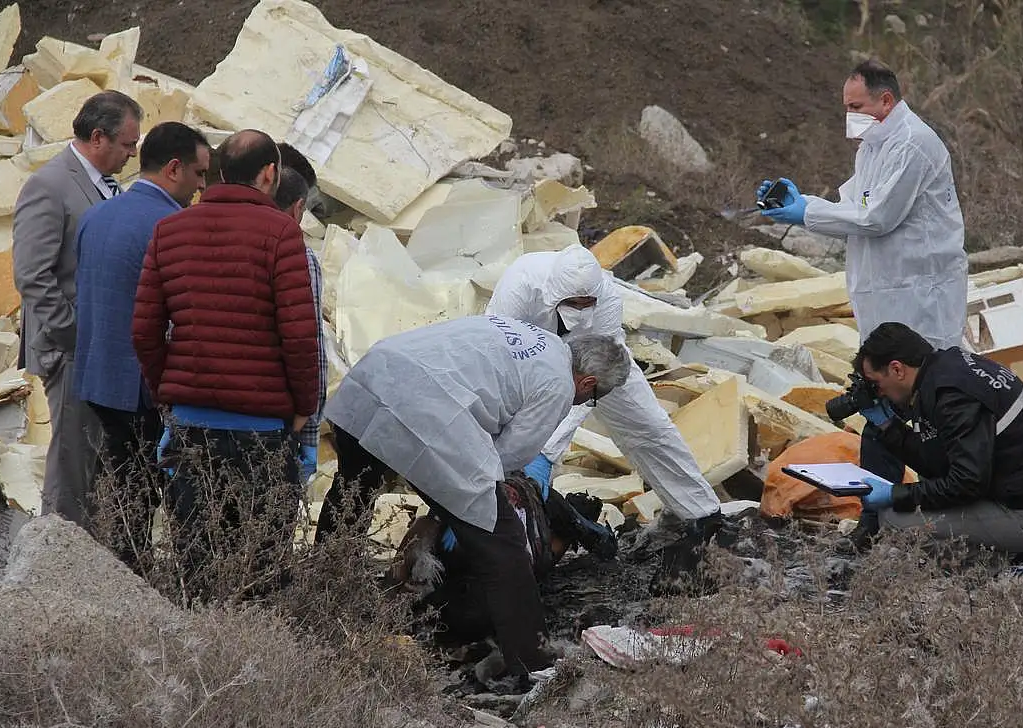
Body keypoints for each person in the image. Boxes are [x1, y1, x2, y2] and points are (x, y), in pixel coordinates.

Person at [314, 314, 631, 679]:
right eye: (592, 398)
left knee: (353, 492)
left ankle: (321, 589)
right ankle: (533, 663)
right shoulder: (559, 384)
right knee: (503, 542)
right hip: (423, 407)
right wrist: (462, 507)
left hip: (375, 376)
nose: (584, 402)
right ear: (588, 382)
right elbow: (508, 457)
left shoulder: (533, 338)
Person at [756, 59, 968, 550]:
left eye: (856, 106)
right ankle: (878, 518)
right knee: (877, 400)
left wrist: (806, 214)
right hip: (887, 297)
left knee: (932, 405)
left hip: (921, 299)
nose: (849, 115)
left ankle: (949, 510)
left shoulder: (913, 144)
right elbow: (854, 206)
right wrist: (803, 202)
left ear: (885, 100)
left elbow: (877, 218)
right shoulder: (875, 145)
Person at [133, 129, 320, 601]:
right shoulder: (281, 233)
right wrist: (304, 406)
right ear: (270, 174)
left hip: (192, 428)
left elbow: (145, 331)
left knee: (197, 564)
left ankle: (200, 644)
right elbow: (300, 337)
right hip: (262, 432)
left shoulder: (170, 230)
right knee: (261, 571)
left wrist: (167, 394)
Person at [485, 244, 723, 591]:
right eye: (573, 304)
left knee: (651, 428)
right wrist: (529, 441)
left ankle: (701, 515)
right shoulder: (520, 286)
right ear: (553, 294)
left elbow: (590, 375)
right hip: (526, 364)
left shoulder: (607, 297)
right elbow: (498, 351)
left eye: (588, 304)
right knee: (511, 445)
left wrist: (546, 450)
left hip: (599, 361)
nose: (581, 311)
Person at [73, 121, 210, 571]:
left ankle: (110, 570)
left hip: (97, 377)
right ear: (173, 168)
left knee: (120, 488)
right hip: (142, 385)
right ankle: (131, 580)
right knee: (149, 497)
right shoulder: (170, 226)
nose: (201, 187)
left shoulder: (97, 215)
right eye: (198, 174)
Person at [851, 322, 1023, 576]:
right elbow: (941, 463)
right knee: (918, 499)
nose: (879, 393)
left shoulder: (953, 396)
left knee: (895, 520)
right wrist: (888, 427)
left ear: (897, 369)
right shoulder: (947, 370)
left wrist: (895, 494)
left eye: (876, 384)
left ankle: (1015, 564)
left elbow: (966, 482)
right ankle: (1012, 554)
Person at [13, 90, 143, 527]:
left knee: (95, 461)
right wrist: (72, 335)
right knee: (71, 461)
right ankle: (54, 551)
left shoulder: (106, 184)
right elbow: (32, 274)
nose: (132, 154)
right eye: (127, 144)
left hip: (99, 349)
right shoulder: (50, 185)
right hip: (70, 349)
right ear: (98, 137)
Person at [272, 163, 326, 485]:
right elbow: (308, 347)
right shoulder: (300, 258)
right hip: (272, 422)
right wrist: (309, 432)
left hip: (196, 418)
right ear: (298, 207)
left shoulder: (203, 241)